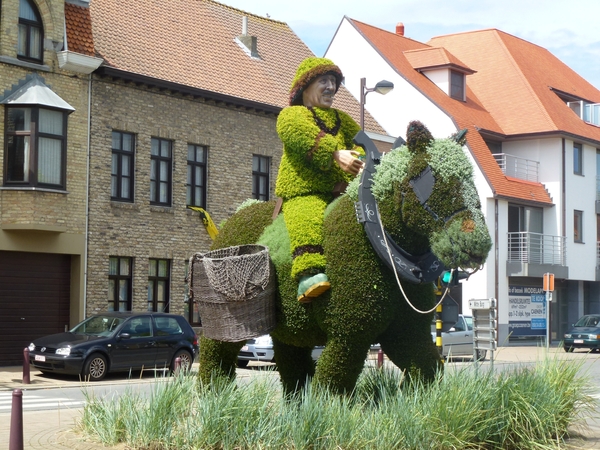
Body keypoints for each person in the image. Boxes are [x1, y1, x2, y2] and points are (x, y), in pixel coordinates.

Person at [275, 57, 364, 303]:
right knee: (307, 215)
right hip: (307, 191)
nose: (331, 87)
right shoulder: (291, 115)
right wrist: (336, 154)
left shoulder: (342, 119)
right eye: (323, 81)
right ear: (305, 87)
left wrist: (364, 159)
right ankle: (308, 272)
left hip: (344, 191)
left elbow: (360, 142)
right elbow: (305, 136)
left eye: (333, 82)